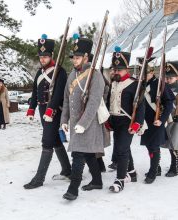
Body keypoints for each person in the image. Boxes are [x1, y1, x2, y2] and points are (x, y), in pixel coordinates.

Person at [61, 34, 106, 200]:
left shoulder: (96, 75)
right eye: (73, 57)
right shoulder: (72, 75)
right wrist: (64, 120)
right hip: (75, 123)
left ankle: (73, 189)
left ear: (86, 57)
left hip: (89, 123)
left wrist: (83, 123)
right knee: (87, 153)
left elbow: (94, 102)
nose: (74, 60)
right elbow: (66, 99)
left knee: (78, 155)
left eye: (78, 57)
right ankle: (97, 180)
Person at [23, 34, 71, 189]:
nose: (42, 59)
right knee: (55, 140)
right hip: (43, 111)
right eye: (40, 56)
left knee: (47, 141)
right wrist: (31, 109)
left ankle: (39, 178)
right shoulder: (39, 72)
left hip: (54, 111)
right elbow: (35, 92)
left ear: (51, 56)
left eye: (45, 56)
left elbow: (58, 94)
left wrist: (51, 110)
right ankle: (67, 170)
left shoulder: (60, 72)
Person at [106, 46, 145, 192]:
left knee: (121, 150)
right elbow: (110, 101)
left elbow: (141, 106)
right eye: (114, 69)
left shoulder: (135, 84)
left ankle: (120, 180)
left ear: (127, 69)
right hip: (115, 120)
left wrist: (137, 123)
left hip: (127, 121)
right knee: (124, 147)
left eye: (119, 70)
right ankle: (132, 173)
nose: (116, 72)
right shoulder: (113, 82)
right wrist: (108, 120)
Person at [140, 61, 175, 183]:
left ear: (151, 72)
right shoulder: (141, 85)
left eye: (146, 74)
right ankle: (157, 168)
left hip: (157, 120)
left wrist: (161, 119)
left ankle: (153, 171)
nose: (144, 76)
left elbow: (169, 104)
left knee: (154, 146)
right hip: (145, 121)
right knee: (149, 146)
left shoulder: (160, 84)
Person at [164, 61, 178, 177]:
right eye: (166, 77)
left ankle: (174, 167)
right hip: (169, 119)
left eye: (171, 78)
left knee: (174, 144)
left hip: (176, 119)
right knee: (171, 144)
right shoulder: (164, 88)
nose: (168, 80)